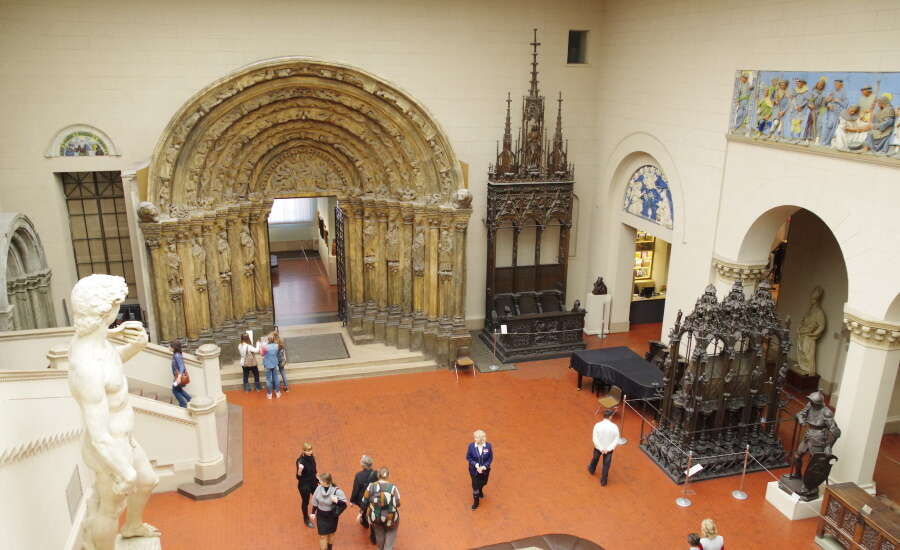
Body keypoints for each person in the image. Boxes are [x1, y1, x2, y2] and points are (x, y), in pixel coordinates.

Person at [68, 274, 160, 548]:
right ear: (106, 310)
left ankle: (132, 526)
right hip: (108, 446)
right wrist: (124, 471)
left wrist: (134, 345)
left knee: (147, 481)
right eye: (117, 304)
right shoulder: (87, 367)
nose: (119, 309)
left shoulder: (95, 341)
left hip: (123, 437)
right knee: (110, 509)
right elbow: (98, 437)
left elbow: (112, 365)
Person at [362, 467, 401, 550]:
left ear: (378, 475)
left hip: (375, 517)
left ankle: (380, 547)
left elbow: (364, 501)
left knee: (379, 533)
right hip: (390, 517)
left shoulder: (371, 486)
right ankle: (388, 548)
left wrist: (360, 513)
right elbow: (398, 503)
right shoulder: (393, 488)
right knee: (391, 532)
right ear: (388, 476)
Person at [310, 472, 347, 550]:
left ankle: (330, 548)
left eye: (320, 480)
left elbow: (344, 504)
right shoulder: (318, 488)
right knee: (322, 536)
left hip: (332, 516)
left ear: (326, 482)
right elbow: (315, 501)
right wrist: (313, 513)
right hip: (321, 516)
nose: (319, 481)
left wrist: (337, 501)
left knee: (331, 534)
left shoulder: (337, 491)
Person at [587, 408, 620, 486]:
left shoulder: (597, 425)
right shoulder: (615, 427)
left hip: (598, 448)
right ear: (610, 417)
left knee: (595, 458)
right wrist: (608, 449)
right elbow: (616, 439)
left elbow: (595, 438)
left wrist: (601, 448)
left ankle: (591, 469)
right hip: (609, 450)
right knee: (606, 465)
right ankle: (604, 481)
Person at [350, 454, 378, 544]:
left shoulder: (359, 475)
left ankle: (365, 522)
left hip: (362, 499)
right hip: (373, 498)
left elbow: (356, 489)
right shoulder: (376, 474)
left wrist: (352, 500)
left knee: (364, 511)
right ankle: (373, 538)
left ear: (362, 465)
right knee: (373, 516)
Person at [466, 429, 493, 510]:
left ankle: (480, 490)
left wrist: (484, 466)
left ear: (481, 438)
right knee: (475, 486)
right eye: (475, 437)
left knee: (484, 482)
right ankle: (476, 502)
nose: (475, 439)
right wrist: (476, 465)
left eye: (476, 437)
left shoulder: (488, 446)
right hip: (474, 470)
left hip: (485, 470)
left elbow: (490, 458)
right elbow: (468, 457)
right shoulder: (471, 446)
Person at [297, 442, 318, 528]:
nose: (310, 452)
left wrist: (318, 479)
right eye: (308, 450)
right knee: (305, 502)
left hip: (313, 482)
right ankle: (306, 519)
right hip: (304, 485)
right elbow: (298, 477)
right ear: (303, 451)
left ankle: (316, 513)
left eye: (311, 450)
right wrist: (299, 470)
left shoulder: (311, 457)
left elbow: (314, 470)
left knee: (318, 497)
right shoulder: (300, 461)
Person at [260, 333, 281, 399]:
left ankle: (269, 394)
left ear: (268, 340)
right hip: (274, 363)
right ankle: (277, 393)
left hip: (267, 364)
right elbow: (277, 353)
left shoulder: (265, 347)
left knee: (269, 380)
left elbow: (262, 354)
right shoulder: (277, 346)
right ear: (273, 339)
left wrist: (261, 347)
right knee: (276, 378)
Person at [170, 341, 191, 408]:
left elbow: (182, 367)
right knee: (179, 390)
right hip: (177, 377)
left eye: (170, 346)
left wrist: (179, 377)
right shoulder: (176, 355)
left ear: (174, 348)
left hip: (179, 378)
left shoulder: (177, 355)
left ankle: (183, 404)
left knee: (174, 390)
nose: (169, 347)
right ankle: (190, 400)